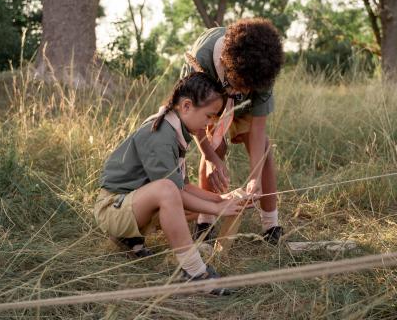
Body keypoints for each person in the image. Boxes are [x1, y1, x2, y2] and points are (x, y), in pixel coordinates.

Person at [94, 72, 247, 294]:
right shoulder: (160, 133)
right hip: (112, 208)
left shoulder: (175, 130)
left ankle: (130, 238)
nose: (210, 124)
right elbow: (172, 191)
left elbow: (183, 187)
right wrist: (216, 208)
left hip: (133, 203)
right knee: (168, 191)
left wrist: (222, 199)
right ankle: (195, 273)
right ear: (186, 106)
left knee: (180, 196)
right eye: (209, 116)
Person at [182, 18, 285, 245]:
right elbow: (196, 123)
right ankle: (205, 223)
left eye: (249, 88)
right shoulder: (201, 61)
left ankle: (271, 225)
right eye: (241, 85)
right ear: (224, 63)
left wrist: (254, 178)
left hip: (243, 104)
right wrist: (209, 157)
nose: (243, 91)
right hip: (211, 99)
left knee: (264, 152)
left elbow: (257, 128)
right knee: (215, 147)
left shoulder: (261, 70)